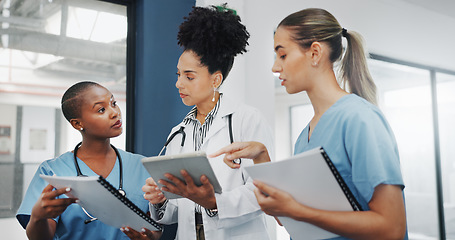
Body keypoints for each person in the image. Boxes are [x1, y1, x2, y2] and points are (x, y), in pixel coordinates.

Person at [211, 8, 407, 240]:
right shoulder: (305, 135)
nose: (275, 67)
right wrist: (261, 157)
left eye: (282, 55)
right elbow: (290, 218)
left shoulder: (360, 119)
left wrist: (298, 211)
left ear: (315, 53)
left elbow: (392, 227)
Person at [142, 5, 274, 240]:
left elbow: (263, 191)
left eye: (189, 76)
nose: (178, 84)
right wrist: (161, 199)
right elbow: (178, 209)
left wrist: (214, 202)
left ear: (216, 79)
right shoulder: (179, 132)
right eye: (178, 75)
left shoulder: (247, 119)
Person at [16, 81, 161, 240]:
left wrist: (150, 238)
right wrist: (38, 217)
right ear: (77, 124)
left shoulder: (142, 166)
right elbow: (41, 237)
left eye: (113, 103)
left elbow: (155, 227)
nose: (114, 113)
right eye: (101, 109)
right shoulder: (53, 170)